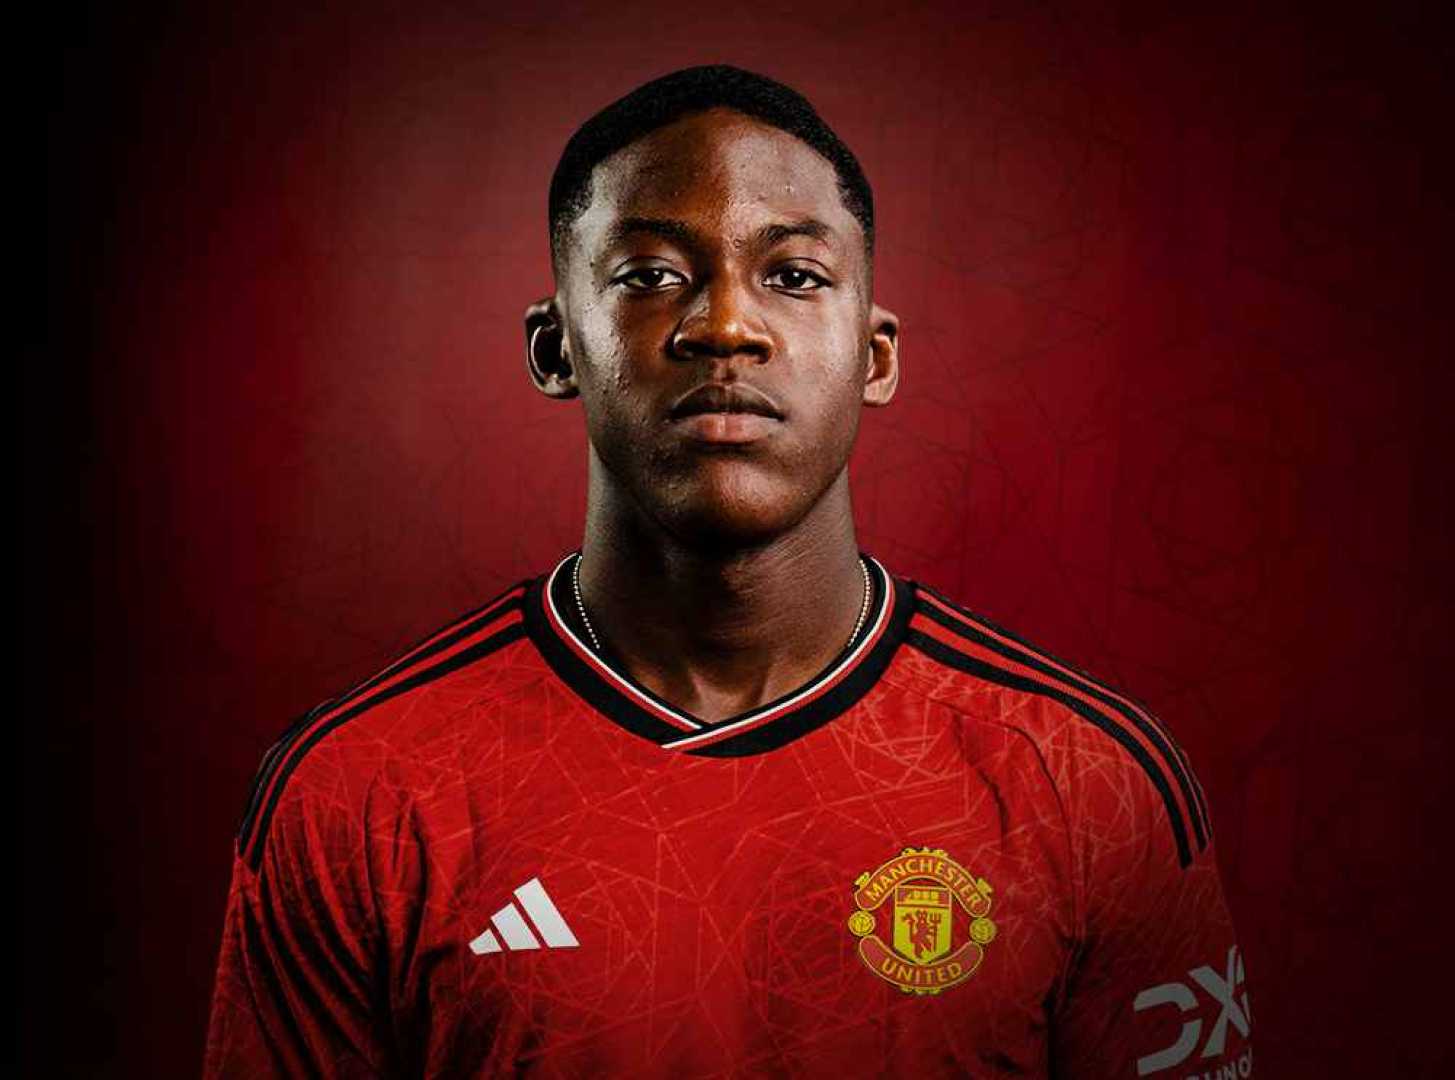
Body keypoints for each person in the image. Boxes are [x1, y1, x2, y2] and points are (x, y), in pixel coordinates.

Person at [203, 64, 1252, 1078]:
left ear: (874, 355)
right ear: (556, 348)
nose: (725, 326)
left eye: (793, 276)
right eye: (650, 276)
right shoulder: (359, 792)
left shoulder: (1093, 785)